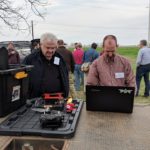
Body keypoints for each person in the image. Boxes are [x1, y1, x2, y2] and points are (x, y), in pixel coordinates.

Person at [23, 33, 69, 99]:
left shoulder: (59, 58)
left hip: (58, 99)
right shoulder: (30, 59)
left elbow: (65, 77)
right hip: (37, 101)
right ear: (41, 45)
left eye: (53, 48)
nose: (50, 51)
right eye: (47, 48)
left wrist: (65, 95)